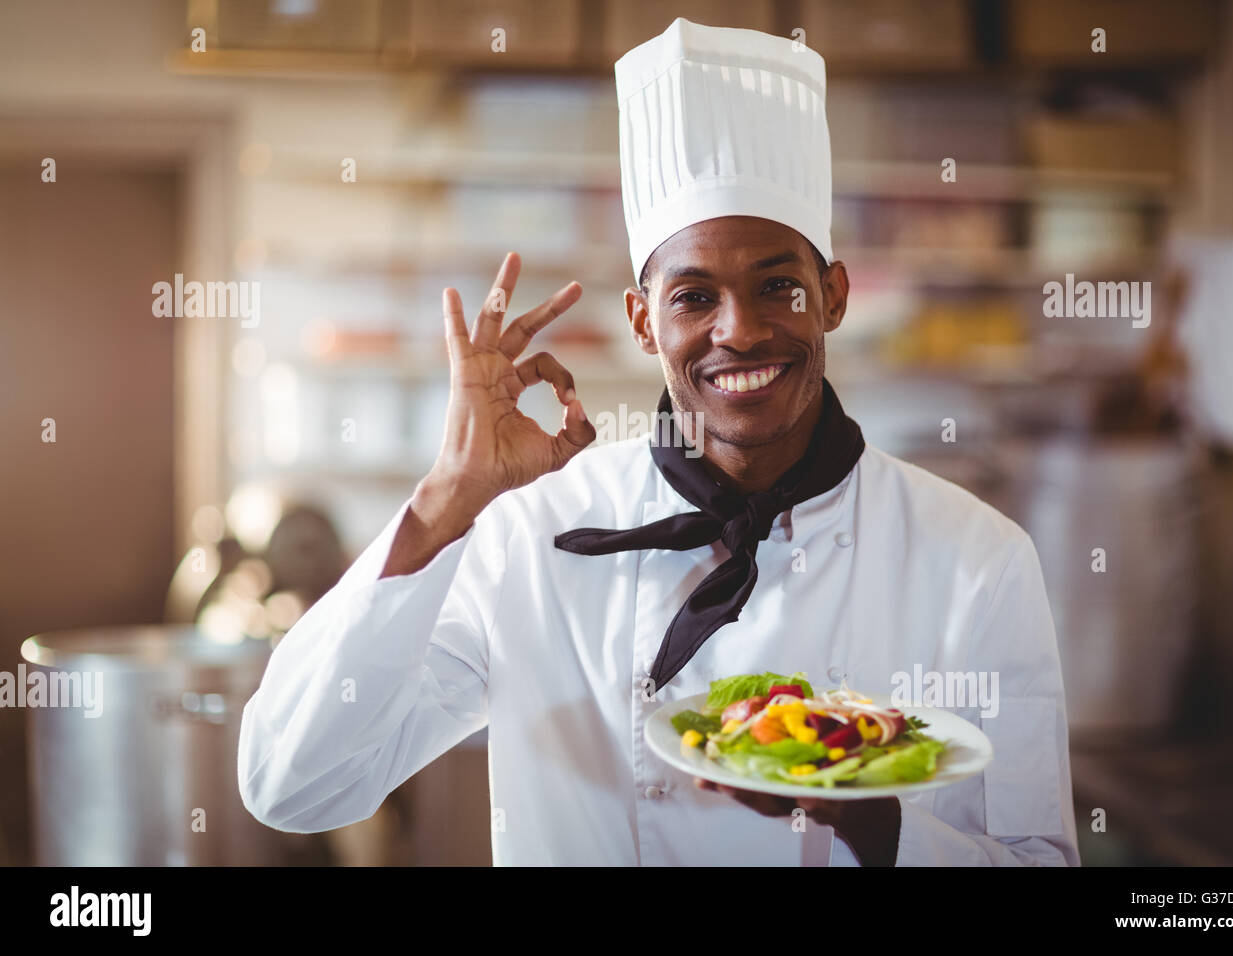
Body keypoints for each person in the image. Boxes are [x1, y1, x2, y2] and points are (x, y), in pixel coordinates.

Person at [238, 18, 1079, 866]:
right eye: (694, 297)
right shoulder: (530, 535)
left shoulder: (976, 560)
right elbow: (293, 784)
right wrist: (446, 501)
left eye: (778, 285)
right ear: (643, 321)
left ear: (833, 295)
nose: (740, 331)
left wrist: (875, 827)